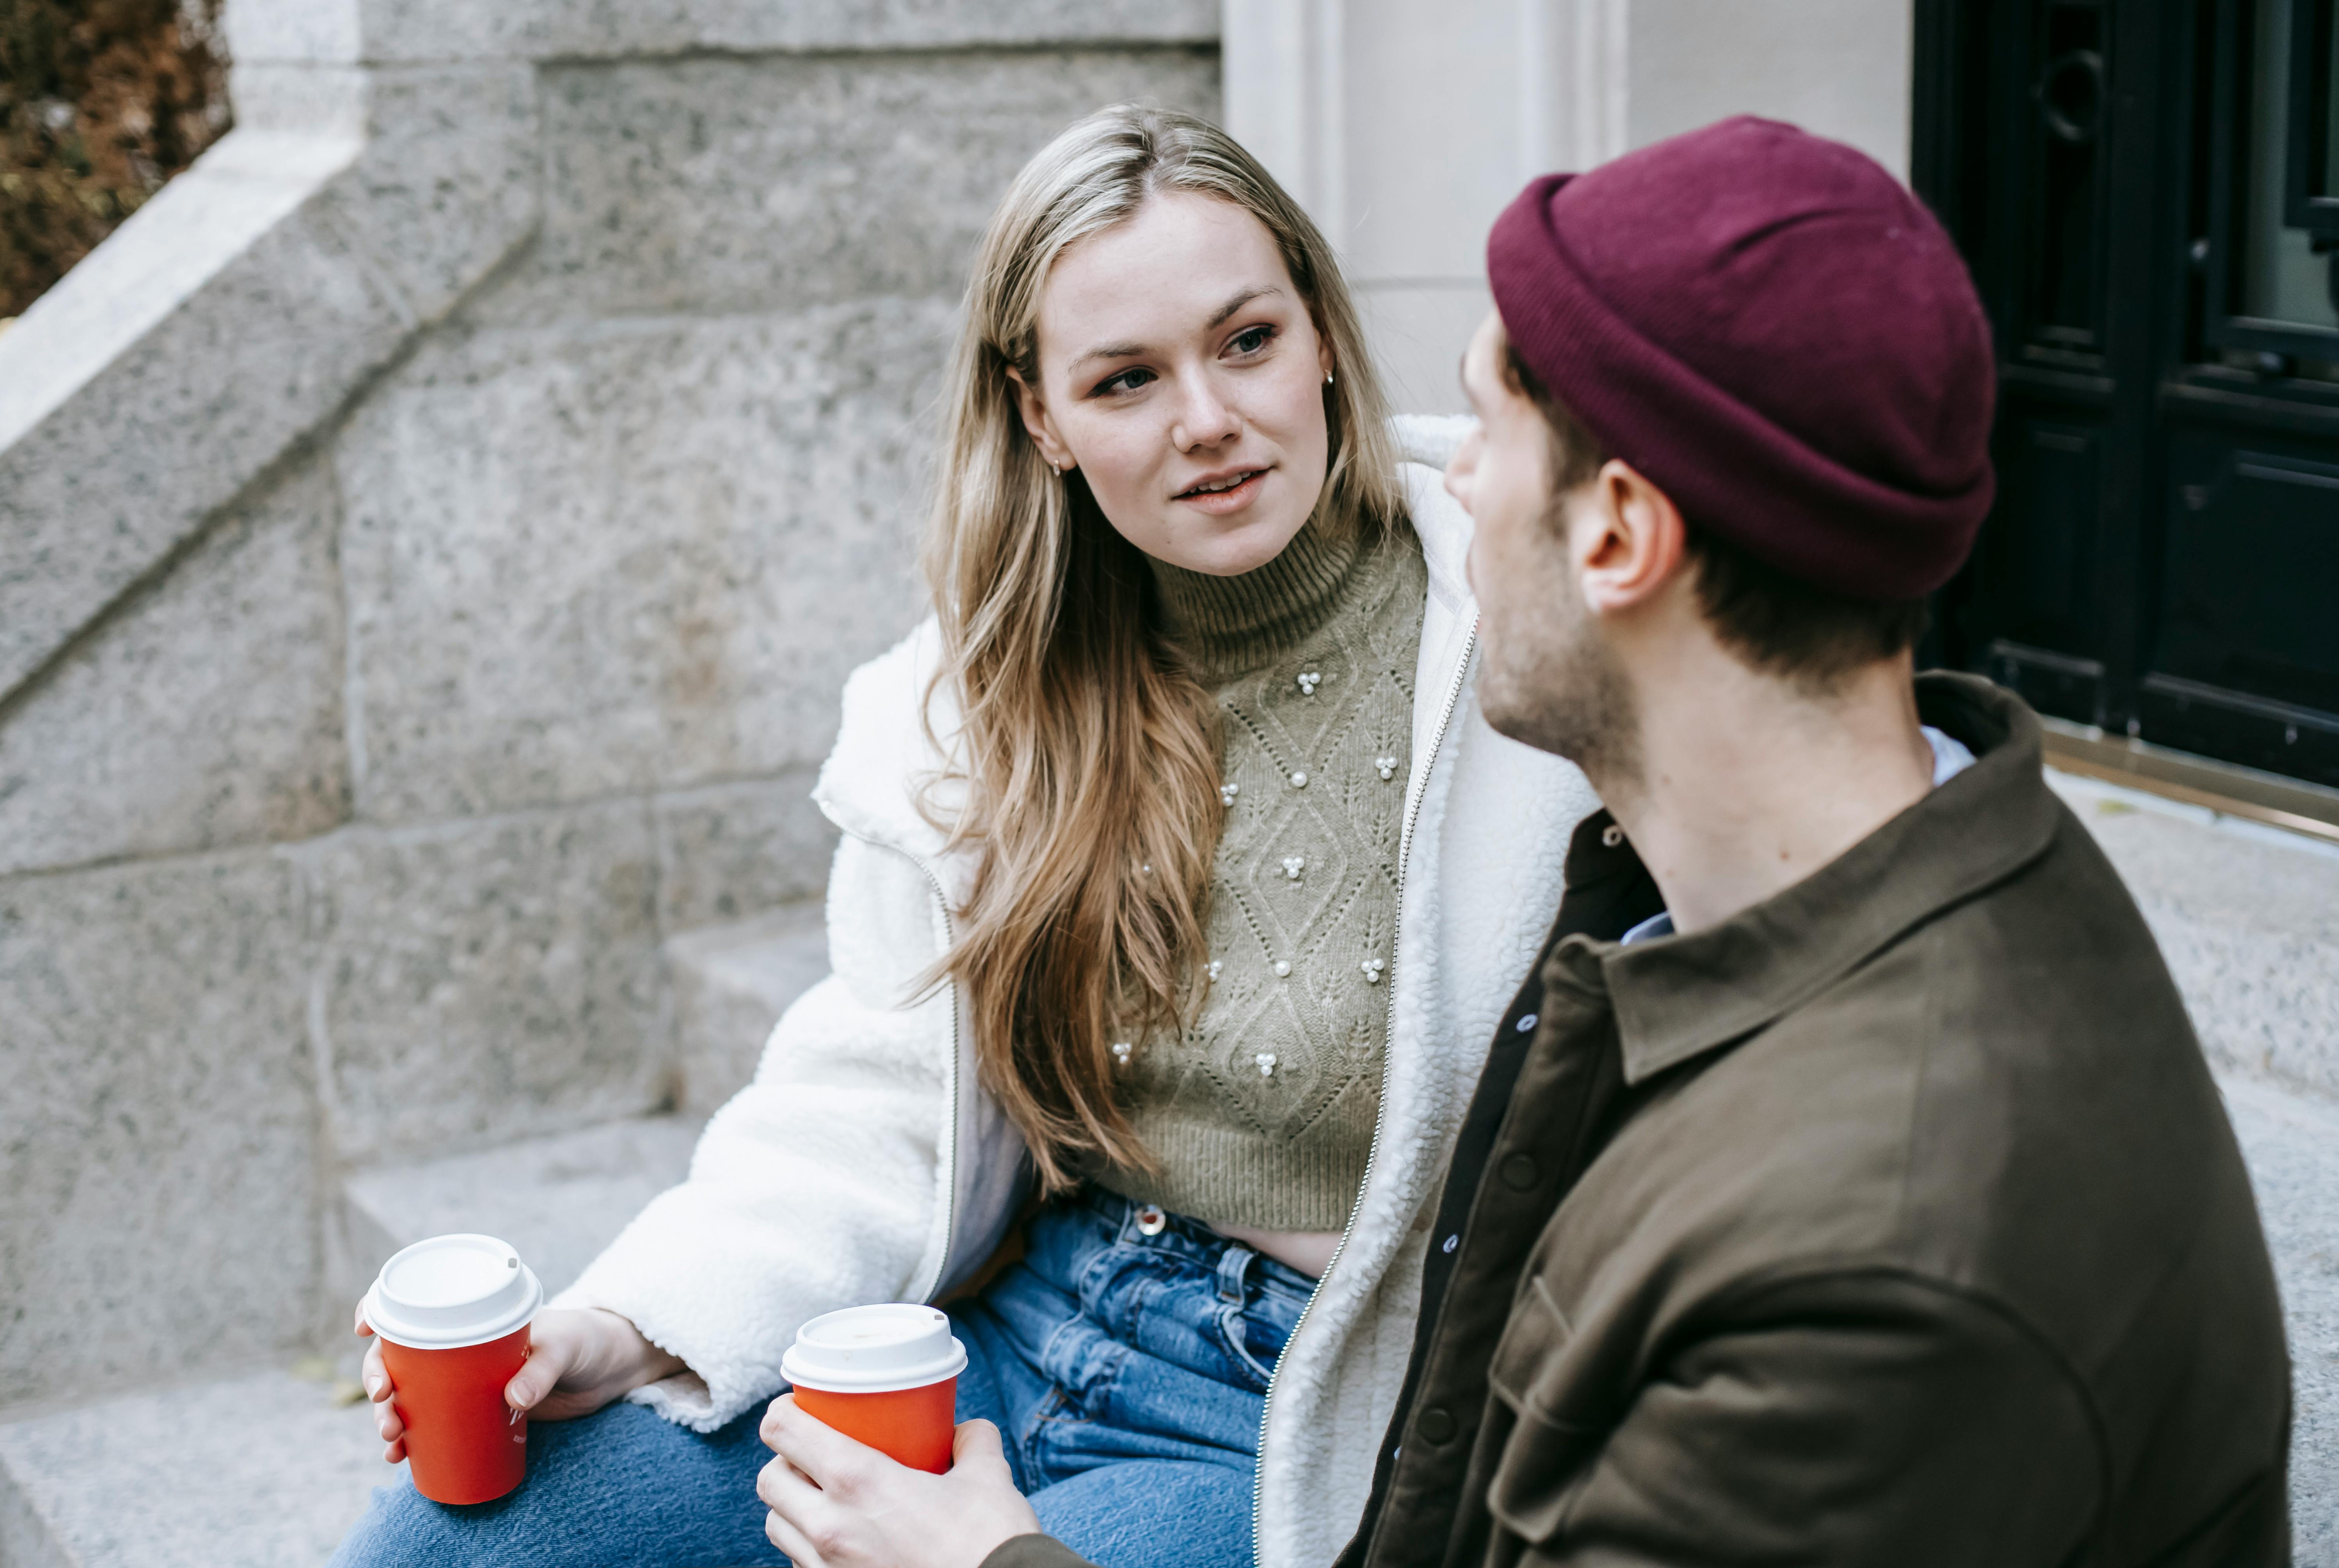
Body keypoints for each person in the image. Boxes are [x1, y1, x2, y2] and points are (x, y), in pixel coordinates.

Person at [761, 117, 2295, 1568]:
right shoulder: (1765, 894)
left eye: (1491, 425)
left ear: (1619, 537)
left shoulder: (1874, 1255)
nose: (1446, 477)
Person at [330, 104, 1599, 1568]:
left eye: (1245, 340)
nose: (1207, 418)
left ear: (1321, 329)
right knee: (460, 1543)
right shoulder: (979, 698)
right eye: (1126, 378)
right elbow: (873, 1093)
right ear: (1042, 417)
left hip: (1299, 1410)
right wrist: (624, 1324)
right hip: (994, 1342)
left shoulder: (1524, 625)